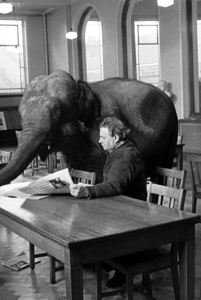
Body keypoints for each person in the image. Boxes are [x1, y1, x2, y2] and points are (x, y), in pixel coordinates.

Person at [69, 116, 153, 288]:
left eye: (103, 138)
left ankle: (119, 269)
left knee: (90, 222)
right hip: (120, 207)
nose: (99, 141)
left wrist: (88, 190)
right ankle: (100, 260)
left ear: (115, 138)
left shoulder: (125, 157)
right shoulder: (121, 145)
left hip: (130, 216)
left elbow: (115, 185)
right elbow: (98, 138)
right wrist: (86, 131)